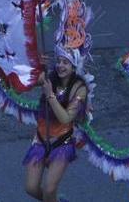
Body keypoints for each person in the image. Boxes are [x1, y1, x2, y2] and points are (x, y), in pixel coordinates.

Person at [22, 54, 88, 202]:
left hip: (62, 143)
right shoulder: (49, 77)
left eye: (66, 62)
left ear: (74, 66)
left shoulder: (80, 89)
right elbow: (25, 82)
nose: (60, 65)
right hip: (40, 140)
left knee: (49, 189)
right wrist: (37, 66)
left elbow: (65, 118)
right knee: (31, 188)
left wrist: (50, 95)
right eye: (58, 61)